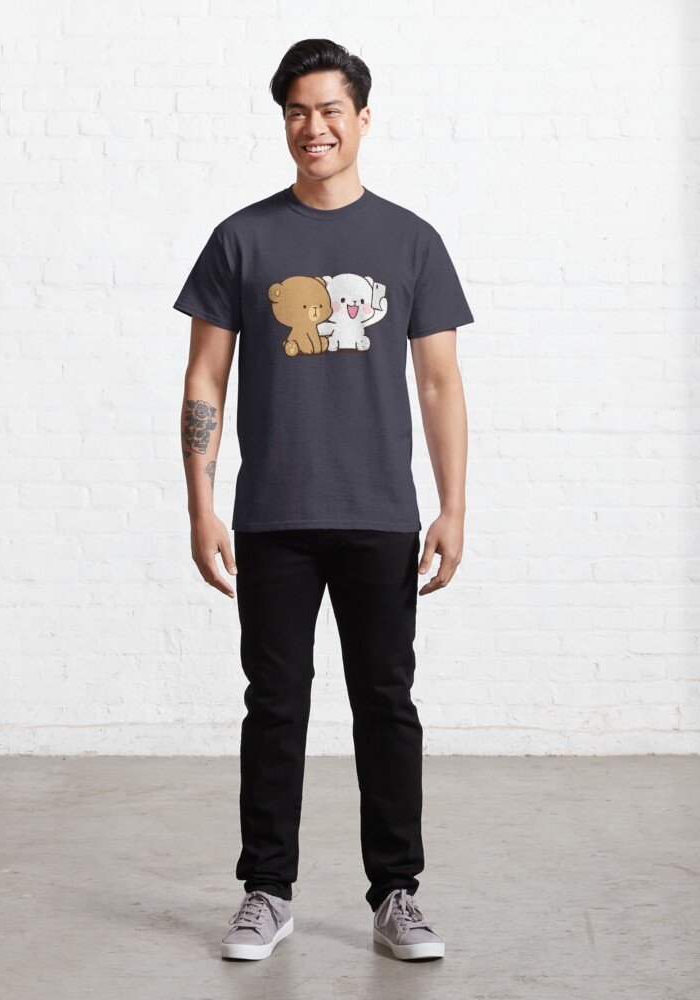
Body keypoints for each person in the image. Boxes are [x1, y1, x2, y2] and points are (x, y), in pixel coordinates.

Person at [173, 38, 474, 962]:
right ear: (285, 122)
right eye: (298, 111)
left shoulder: (411, 240)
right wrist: (201, 504)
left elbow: (439, 384)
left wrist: (453, 507)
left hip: (381, 513)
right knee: (275, 704)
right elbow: (205, 378)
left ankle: (397, 893)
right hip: (273, 515)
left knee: (386, 702)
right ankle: (267, 892)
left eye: (331, 109)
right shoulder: (242, 238)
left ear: (363, 118)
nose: (315, 127)